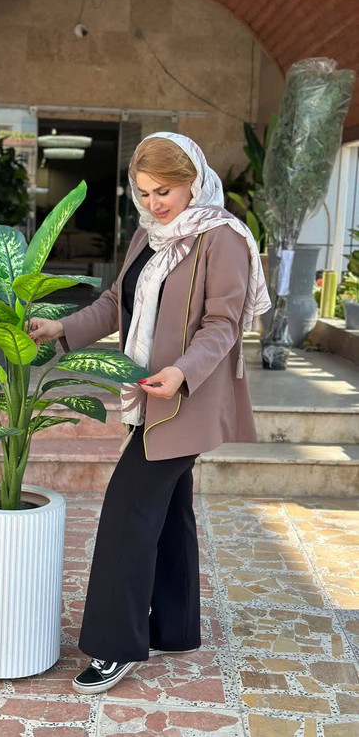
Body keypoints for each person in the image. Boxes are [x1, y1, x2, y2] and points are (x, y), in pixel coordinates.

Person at [29, 132, 271, 695]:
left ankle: (115, 645)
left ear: (193, 181)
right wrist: (64, 327)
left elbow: (223, 324)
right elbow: (117, 302)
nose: (154, 202)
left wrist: (183, 372)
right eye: (143, 192)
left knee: (127, 510)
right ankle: (175, 628)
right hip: (149, 392)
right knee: (170, 508)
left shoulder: (222, 238)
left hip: (185, 398)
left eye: (164, 190)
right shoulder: (147, 233)